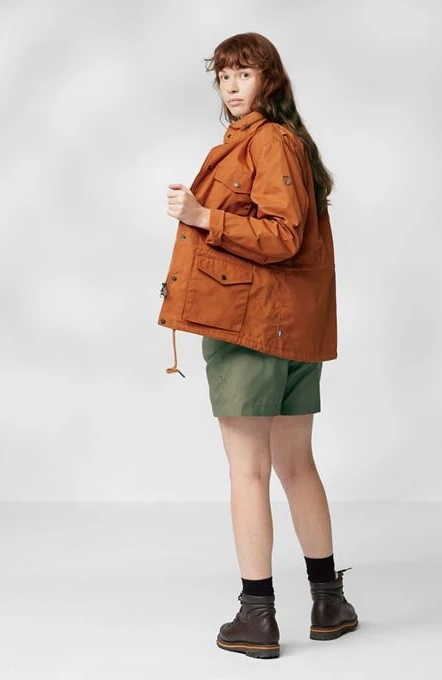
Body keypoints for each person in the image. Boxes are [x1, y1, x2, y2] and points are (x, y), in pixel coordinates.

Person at [158, 32, 357, 659]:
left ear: (269, 79)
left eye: (244, 73)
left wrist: (203, 216)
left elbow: (283, 235)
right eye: (223, 77)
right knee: (296, 465)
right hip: (288, 327)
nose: (232, 86)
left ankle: (257, 616)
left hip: (250, 329)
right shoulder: (284, 141)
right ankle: (329, 603)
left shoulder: (266, 142)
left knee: (249, 471)